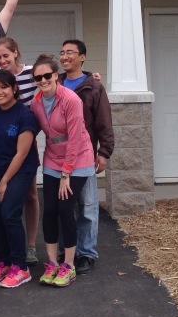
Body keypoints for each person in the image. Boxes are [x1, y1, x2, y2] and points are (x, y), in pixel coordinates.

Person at [28, 54, 95, 288]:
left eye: (48, 75)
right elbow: (30, 131)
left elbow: (75, 138)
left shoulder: (70, 99)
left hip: (78, 159)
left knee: (66, 208)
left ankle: (68, 265)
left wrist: (66, 174)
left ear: (56, 76)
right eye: (39, 77)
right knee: (50, 209)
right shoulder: (36, 103)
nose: (43, 80)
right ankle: (52, 263)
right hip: (53, 159)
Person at [59, 39, 114, 275]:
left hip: (85, 156)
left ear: (82, 57)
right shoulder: (56, 82)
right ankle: (67, 250)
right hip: (59, 158)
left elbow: (104, 121)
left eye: (70, 52)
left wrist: (103, 152)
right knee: (64, 208)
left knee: (87, 207)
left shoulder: (93, 86)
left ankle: (87, 253)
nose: (64, 56)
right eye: (62, 53)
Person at [0, 69, 39, 289]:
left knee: (9, 214)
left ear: (14, 88)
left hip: (19, 169)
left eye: (4, 87)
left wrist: (5, 181)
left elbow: (22, 153)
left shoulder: (24, 116)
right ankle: (3, 261)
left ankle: (20, 267)